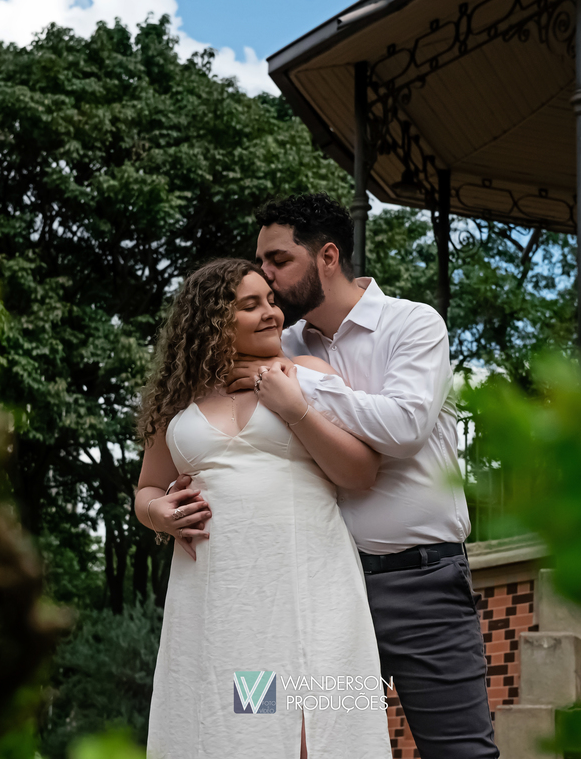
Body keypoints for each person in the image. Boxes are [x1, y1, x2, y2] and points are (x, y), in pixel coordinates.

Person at [237, 193, 500, 758]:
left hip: (421, 588)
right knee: (310, 747)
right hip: (322, 588)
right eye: (261, 262)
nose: (266, 275)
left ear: (328, 257)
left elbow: (403, 427)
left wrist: (303, 386)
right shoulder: (280, 345)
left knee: (460, 754)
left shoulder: (413, 324)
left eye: (279, 260)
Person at [133, 258, 392, 759]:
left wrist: (291, 404)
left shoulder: (307, 373)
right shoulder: (176, 403)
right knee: (242, 727)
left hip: (308, 585)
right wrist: (159, 514)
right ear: (212, 320)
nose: (272, 313)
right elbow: (147, 489)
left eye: (271, 301)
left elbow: (361, 473)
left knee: (318, 726)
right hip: (223, 597)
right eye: (250, 305)